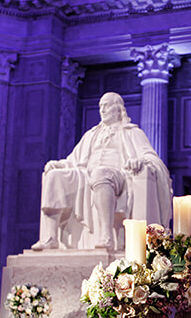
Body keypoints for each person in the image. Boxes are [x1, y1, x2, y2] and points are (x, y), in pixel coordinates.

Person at [31, 92, 172, 251]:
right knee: (54, 176)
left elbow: (151, 158)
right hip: (86, 173)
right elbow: (74, 160)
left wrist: (139, 161)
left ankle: (106, 236)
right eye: (100, 106)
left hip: (119, 174)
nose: (103, 110)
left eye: (107, 105)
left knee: (101, 174)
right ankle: (51, 237)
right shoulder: (91, 134)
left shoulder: (132, 132)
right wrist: (60, 164)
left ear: (118, 109)